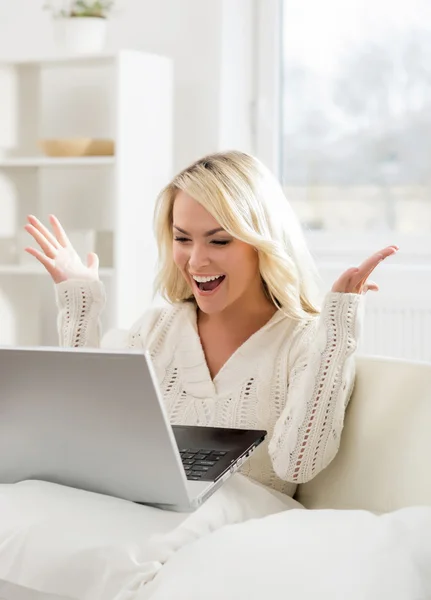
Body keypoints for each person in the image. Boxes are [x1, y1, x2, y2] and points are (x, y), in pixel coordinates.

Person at [24, 150, 397, 499]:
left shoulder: (302, 341)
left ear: (261, 245)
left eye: (218, 241)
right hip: (142, 518)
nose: (195, 261)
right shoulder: (155, 331)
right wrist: (80, 305)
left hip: (237, 534)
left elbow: (296, 463)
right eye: (182, 239)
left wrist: (336, 333)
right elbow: (83, 438)